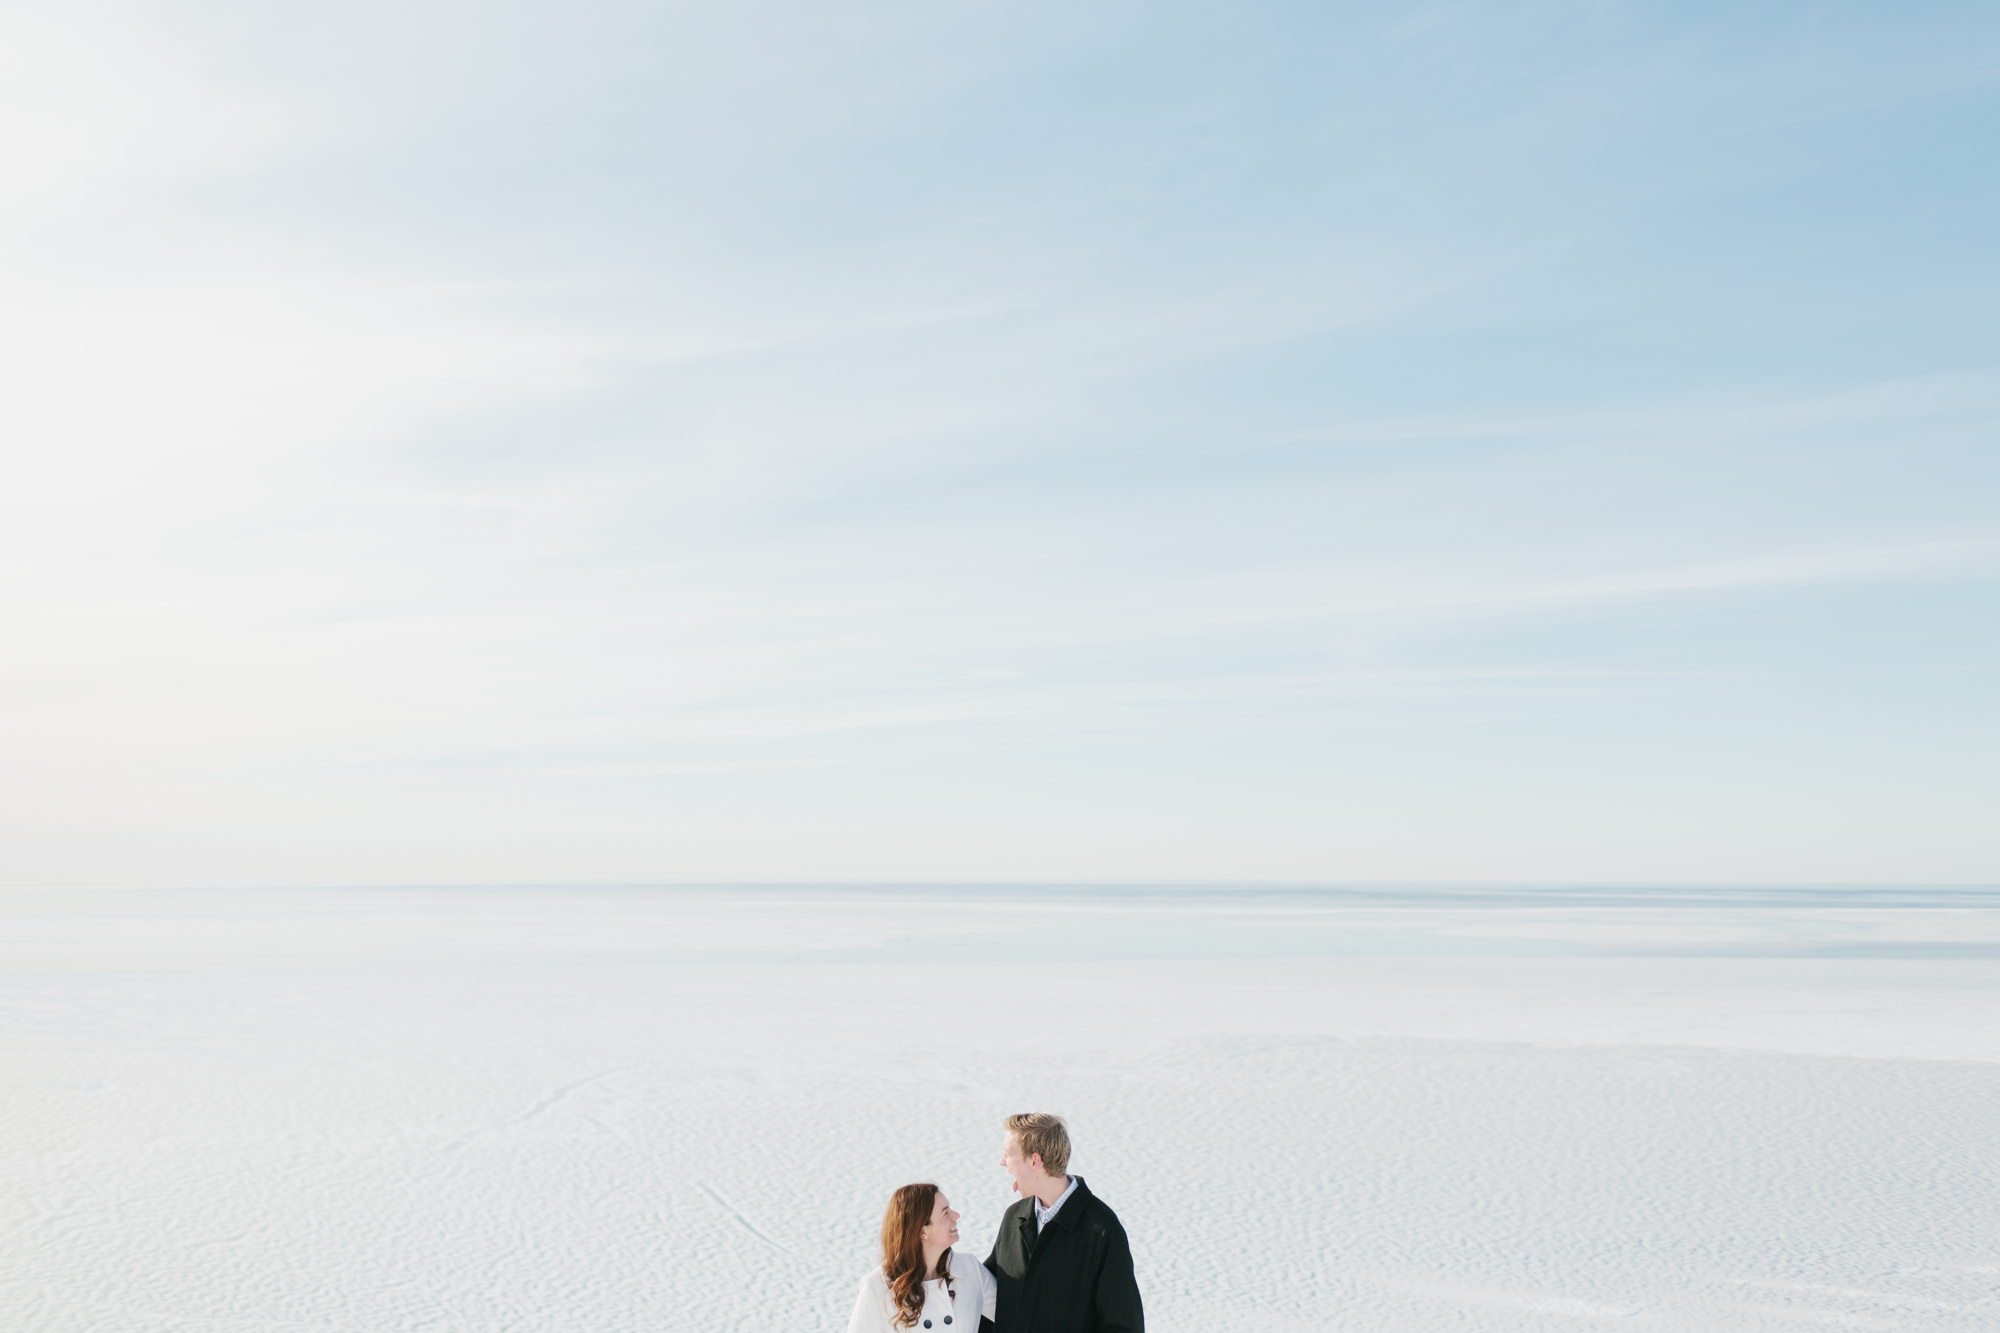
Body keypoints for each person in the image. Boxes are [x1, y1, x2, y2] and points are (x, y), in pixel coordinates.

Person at [983, 1113, 1142, 1333]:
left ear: (1034, 1161)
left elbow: (1123, 1326)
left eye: (1008, 1154)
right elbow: (986, 1295)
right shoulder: (1015, 1217)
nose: (1002, 1162)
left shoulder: (1103, 1230)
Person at [848, 1182, 997, 1333]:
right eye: (945, 1213)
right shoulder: (877, 1285)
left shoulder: (970, 1268)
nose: (956, 1215)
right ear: (921, 1231)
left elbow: (1014, 1316)